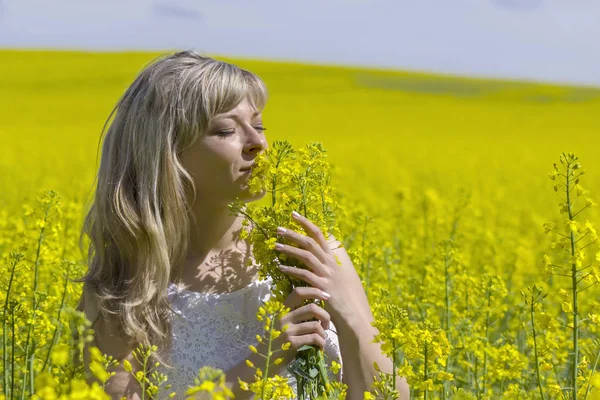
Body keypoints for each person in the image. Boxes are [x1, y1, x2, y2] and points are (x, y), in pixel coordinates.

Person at [74, 50, 409, 400]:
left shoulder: (309, 254)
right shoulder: (126, 291)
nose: (258, 143)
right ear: (167, 153)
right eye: (225, 130)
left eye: (259, 125)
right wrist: (261, 361)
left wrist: (349, 315)